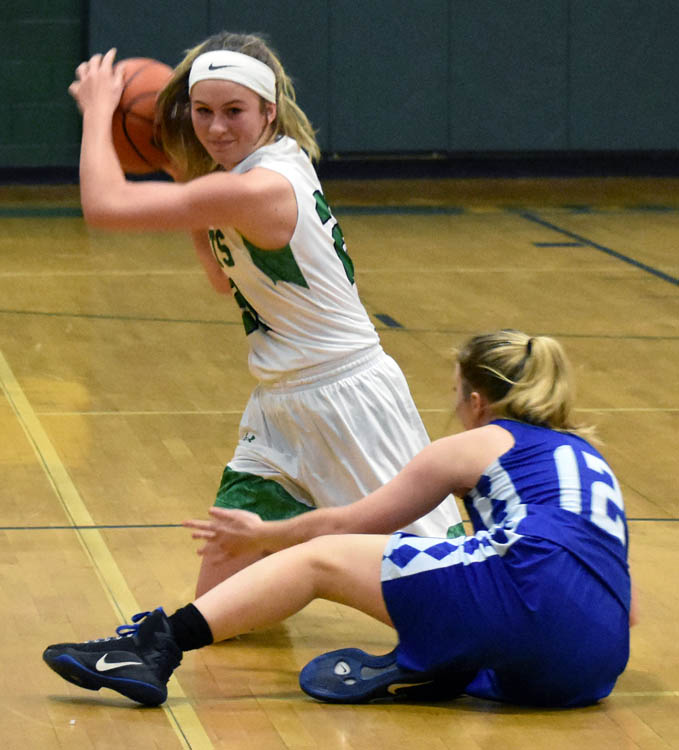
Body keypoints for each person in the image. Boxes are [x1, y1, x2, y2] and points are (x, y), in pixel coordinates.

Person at [67, 33, 464, 596]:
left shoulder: (261, 188)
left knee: (446, 586)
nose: (215, 128)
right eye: (202, 111)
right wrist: (186, 178)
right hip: (281, 404)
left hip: (345, 400)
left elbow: (105, 207)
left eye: (234, 111)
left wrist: (98, 110)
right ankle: (311, 554)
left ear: (268, 111)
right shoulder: (262, 167)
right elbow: (220, 277)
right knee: (218, 603)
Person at [43, 329, 632, 709]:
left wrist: (265, 533)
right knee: (490, 585)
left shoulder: (476, 444)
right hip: (592, 665)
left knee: (317, 560)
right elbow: (620, 599)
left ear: (477, 401)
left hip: (527, 597)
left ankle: (154, 647)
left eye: (456, 394)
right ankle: (443, 661)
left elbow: (347, 526)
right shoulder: (588, 460)